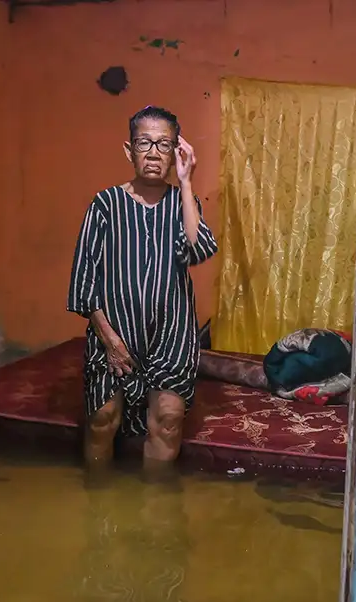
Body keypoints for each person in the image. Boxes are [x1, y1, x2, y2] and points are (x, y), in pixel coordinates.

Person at [67, 106, 219, 469]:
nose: (153, 152)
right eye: (144, 143)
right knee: (102, 420)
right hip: (114, 332)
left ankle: (156, 517)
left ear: (176, 153)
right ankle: (99, 509)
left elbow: (198, 250)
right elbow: (83, 282)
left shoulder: (184, 204)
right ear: (128, 150)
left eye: (164, 144)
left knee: (167, 423)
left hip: (172, 335)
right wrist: (110, 341)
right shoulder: (105, 205)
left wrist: (186, 182)